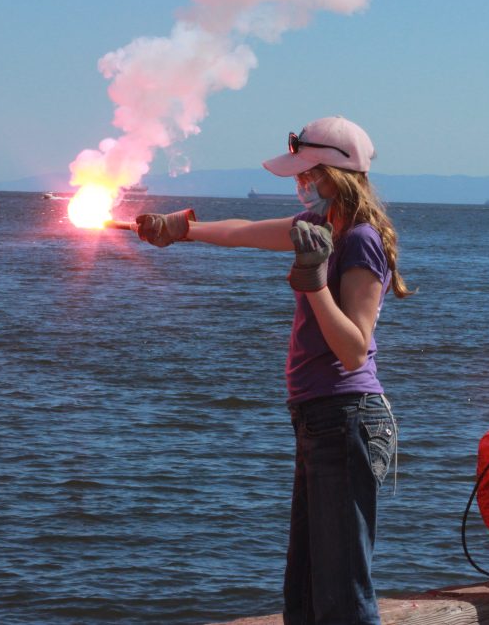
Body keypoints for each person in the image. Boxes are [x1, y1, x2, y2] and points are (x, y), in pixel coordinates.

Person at [135, 116, 411, 625]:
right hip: (317, 420)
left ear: (335, 174)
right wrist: (181, 231)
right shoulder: (320, 230)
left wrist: (314, 283)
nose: (299, 183)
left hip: (346, 418)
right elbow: (242, 233)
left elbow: (353, 350)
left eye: (308, 174)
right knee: (304, 599)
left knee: (345, 598)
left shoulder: (361, 240)